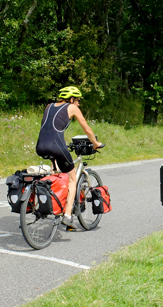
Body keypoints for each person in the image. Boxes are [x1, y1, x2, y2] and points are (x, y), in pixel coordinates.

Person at [36, 86, 102, 229]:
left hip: (40, 146)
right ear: (71, 99)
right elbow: (87, 129)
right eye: (77, 100)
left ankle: (53, 203)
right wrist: (95, 143)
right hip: (56, 146)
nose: (78, 104)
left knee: (57, 174)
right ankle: (67, 215)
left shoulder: (49, 106)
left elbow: (48, 128)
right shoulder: (72, 108)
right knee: (72, 179)